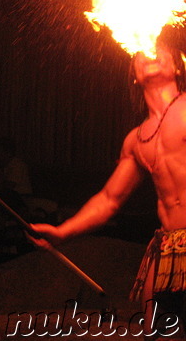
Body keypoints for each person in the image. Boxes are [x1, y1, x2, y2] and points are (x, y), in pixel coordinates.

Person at [30, 40, 186, 335]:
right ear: (135, 76)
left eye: (159, 49)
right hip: (167, 248)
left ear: (178, 66)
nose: (149, 53)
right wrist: (62, 232)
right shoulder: (136, 140)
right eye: (142, 52)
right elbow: (109, 200)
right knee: (155, 330)